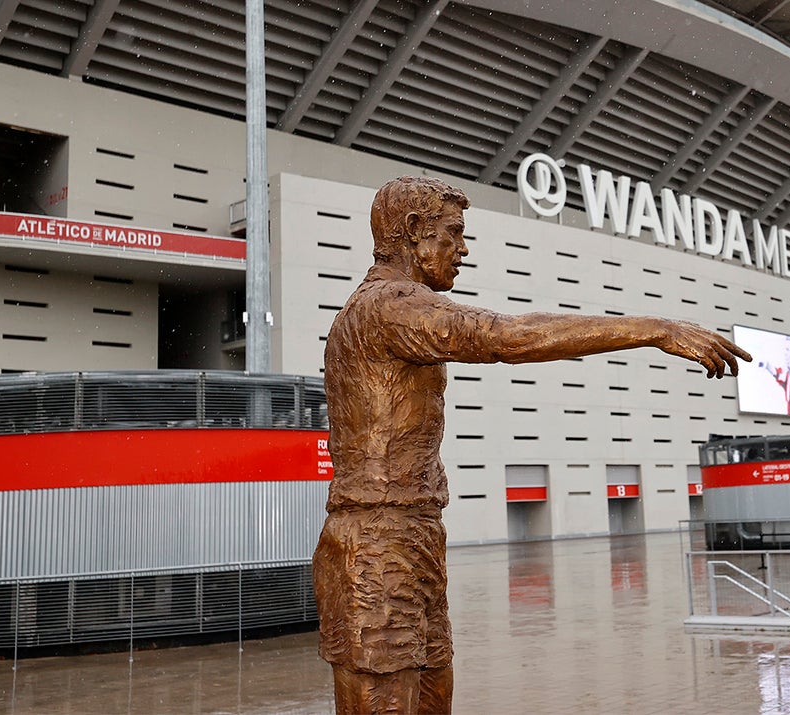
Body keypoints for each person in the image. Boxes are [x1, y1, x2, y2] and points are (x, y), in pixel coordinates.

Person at [313, 176, 752, 714]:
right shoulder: (390, 308)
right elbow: (508, 337)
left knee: (431, 695)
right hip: (378, 542)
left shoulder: (398, 308)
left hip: (412, 534)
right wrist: (655, 329)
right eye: (453, 234)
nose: (463, 250)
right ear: (412, 232)